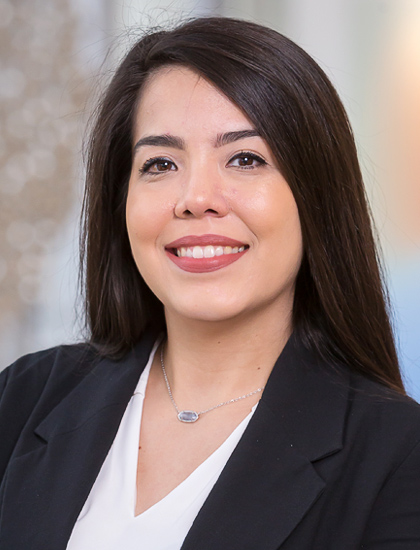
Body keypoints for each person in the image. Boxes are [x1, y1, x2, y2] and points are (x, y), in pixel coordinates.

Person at [1, 16, 420, 550]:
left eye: (245, 159)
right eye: (160, 164)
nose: (196, 197)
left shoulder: (397, 457)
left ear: (317, 196)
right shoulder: (24, 397)